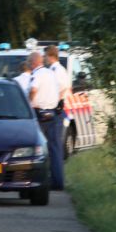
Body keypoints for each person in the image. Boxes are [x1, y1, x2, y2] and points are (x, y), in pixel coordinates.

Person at [27, 51, 62, 190]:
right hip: (53, 113)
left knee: (37, 149)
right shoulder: (51, 73)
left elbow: (33, 89)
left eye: (29, 62)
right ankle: (58, 182)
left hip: (39, 114)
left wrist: (28, 102)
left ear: (33, 63)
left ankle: (37, 181)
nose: (28, 65)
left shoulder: (37, 74)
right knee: (55, 149)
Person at [44, 45, 72, 190]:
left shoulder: (57, 70)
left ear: (50, 56)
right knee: (53, 147)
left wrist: (54, 100)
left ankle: (58, 182)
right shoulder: (55, 70)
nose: (44, 59)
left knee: (55, 147)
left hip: (57, 110)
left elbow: (61, 88)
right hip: (56, 110)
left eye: (45, 56)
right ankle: (55, 179)